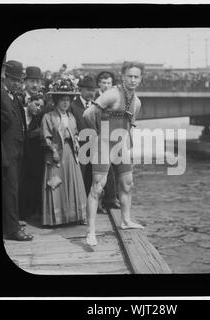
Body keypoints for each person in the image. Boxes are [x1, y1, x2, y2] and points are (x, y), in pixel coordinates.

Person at [83, 61, 145, 246]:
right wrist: (97, 134)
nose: (133, 80)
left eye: (136, 77)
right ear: (123, 76)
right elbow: (87, 114)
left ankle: (126, 221)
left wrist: (127, 144)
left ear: (140, 79)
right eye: (129, 76)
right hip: (103, 144)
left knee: (127, 184)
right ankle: (90, 232)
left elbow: (129, 125)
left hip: (120, 146)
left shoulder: (137, 102)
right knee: (97, 188)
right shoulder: (112, 94)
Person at [41, 79, 86, 226]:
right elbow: (45, 137)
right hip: (55, 153)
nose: (65, 103)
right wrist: (53, 149)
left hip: (70, 152)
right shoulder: (48, 117)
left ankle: (74, 216)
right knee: (56, 184)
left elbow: (76, 132)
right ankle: (56, 219)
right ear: (56, 101)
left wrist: (77, 140)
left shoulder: (71, 117)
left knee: (72, 182)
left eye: (68, 100)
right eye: (62, 100)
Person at [1, 60, 33, 241]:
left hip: (17, 151)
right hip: (7, 151)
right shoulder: (2, 94)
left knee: (13, 190)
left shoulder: (13, 96)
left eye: (19, 80)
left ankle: (11, 224)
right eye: (13, 79)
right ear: (5, 76)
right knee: (10, 191)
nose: (17, 83)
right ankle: (13, 230)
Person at [18, 66, 46, 221]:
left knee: (34, 178)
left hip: (34, 149)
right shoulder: (18, 97)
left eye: (37, 81)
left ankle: (31, 212)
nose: (35, 85)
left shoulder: (44, 101)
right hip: (18, 146)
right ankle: (20, 212)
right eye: (31, 81)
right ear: (25, 82)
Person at [69, 75, 98, 199]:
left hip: (94, 147)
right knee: (79, 177)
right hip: (79, 148)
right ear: (81, 89)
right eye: (88, 90)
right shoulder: (72, 106)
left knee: (92, 178)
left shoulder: (97, 106)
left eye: (93, 90)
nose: (91, 93)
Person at [95, 71, 121, 211]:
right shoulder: (95, 99)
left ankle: (112, 198)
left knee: (116, 169)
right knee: (104, 171)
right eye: (103, 83)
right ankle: (107, 200)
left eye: (109, 83)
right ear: (99, 83)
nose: (106, 86)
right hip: (98, 138)